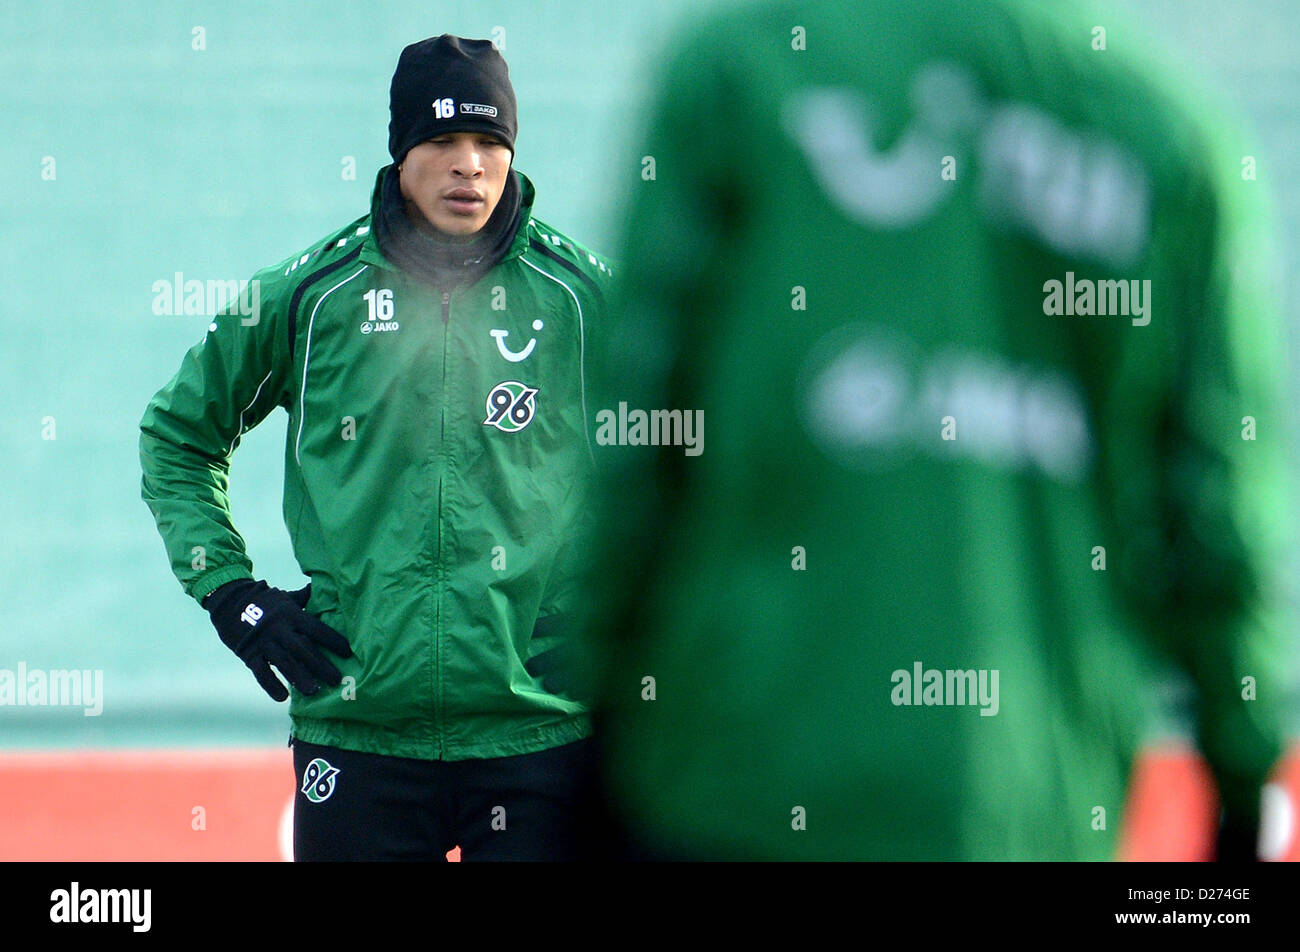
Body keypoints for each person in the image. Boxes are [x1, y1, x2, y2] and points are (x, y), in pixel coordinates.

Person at [581, 0, 1292, 860]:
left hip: (739, 785)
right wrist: (1247, 773)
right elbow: (1216, 517)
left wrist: (575, 727)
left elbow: (629, 447)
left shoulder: (742, 68)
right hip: (1034, 805)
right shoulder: (1167, 131)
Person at [140, 34, 614, 861]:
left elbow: (703, 461)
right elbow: (179, 437)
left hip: (544, 735)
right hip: (359, 733)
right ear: (401, 154)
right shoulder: (307, 298)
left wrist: (630, 625)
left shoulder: (584, 299)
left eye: (490, 142)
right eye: (442, 141)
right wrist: (229, 593)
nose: (469, 164)